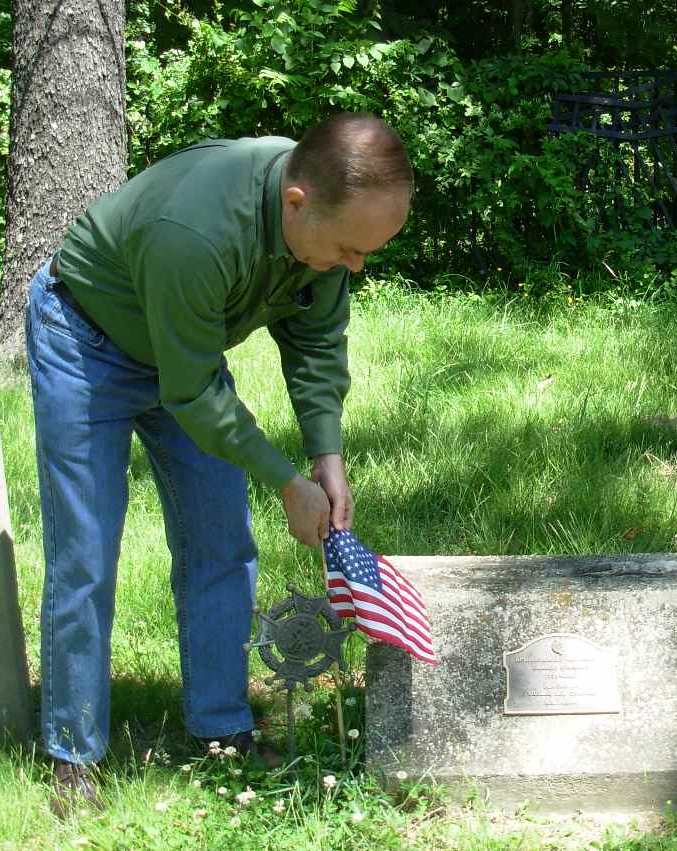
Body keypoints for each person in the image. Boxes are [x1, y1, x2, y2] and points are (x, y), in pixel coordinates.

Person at [24, 112, 412, 815]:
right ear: (296, 202)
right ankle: (73, 752)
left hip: (180, 355)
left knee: (222, 545)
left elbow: (317, 341)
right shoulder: (197, 233)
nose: (357, 265)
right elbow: (192, 390)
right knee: (86, 555)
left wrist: (326, 454)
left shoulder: (322, 224)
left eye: (369, 252)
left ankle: (219, 730)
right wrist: (285, 482)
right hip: (86, 341)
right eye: (350, 248)